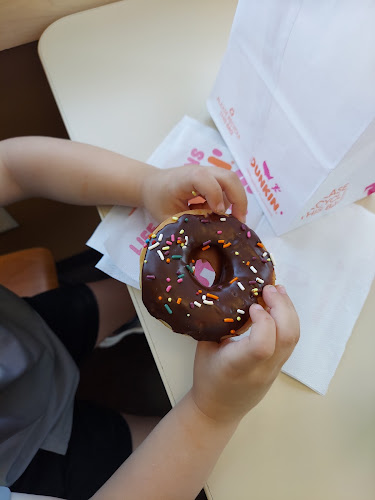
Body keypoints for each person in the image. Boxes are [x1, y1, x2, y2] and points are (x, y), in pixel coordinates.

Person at [0, 136, 300, 500]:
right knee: (194, 462)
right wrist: (208, 415)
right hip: (28, 461)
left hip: (23, 331)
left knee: (129, 295)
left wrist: (146, 184)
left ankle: (130, 318)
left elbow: (10, 168)